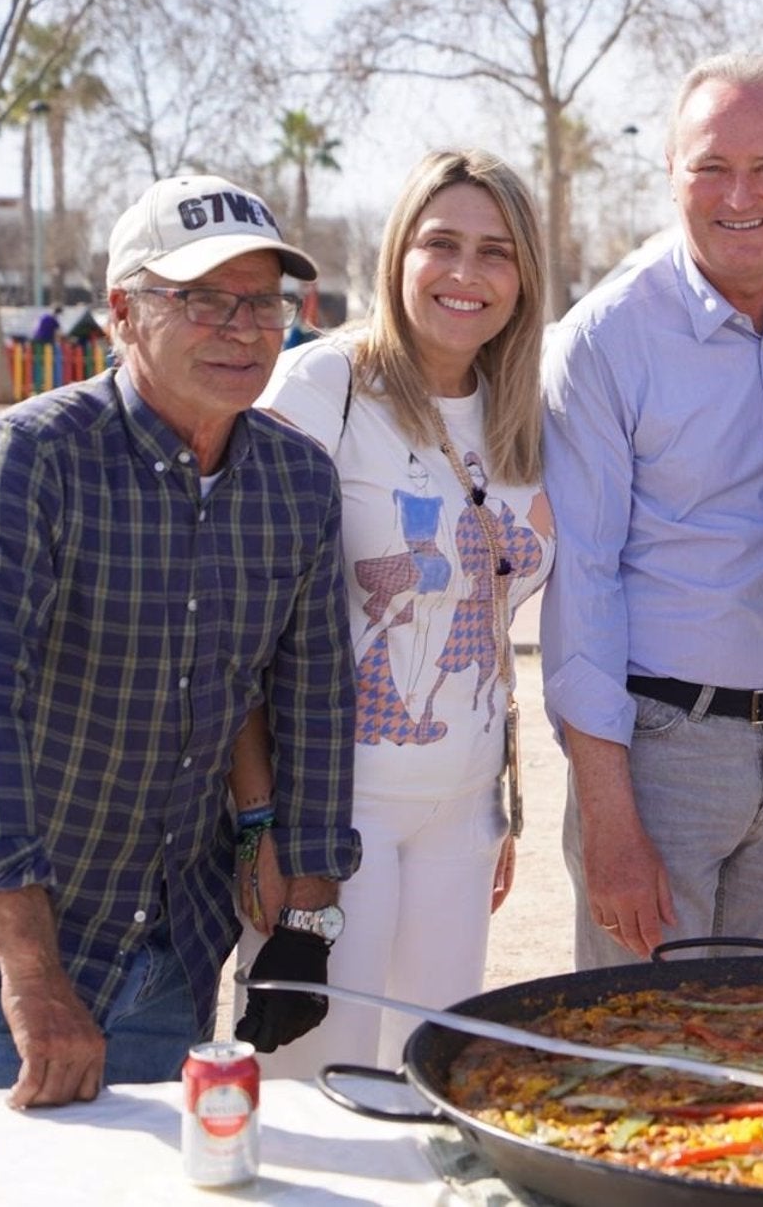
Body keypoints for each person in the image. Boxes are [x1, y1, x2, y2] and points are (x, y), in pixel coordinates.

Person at [0, 174, 360, 1107]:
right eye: (205, 300)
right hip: (32, 953)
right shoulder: (32, 457)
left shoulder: (299, 481)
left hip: (182, 944)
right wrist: (34, 980)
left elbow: (318, 696)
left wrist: (309, 919)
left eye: (265, 301)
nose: (246, 328)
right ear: (123, 312)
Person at [542, 55, 763, 965]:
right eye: (711, 166)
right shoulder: (602, 342)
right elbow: (583, 594)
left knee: (762, 1057)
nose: (742, 195)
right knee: (635, 1062)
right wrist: (609, 818)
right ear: (670, 174)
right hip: (661, 758)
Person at [230, 150, 555, 1075]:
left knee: (430, 1090)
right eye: (440, 243)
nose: (466, 273)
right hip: (333, 819)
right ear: (397, 255)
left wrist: (501, 806)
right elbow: (242, 635)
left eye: (496, 251)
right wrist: (261, 828)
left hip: (464, 816)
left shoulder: (521, 411)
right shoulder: (321, 389)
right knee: (314, 1096)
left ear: (525, 273)